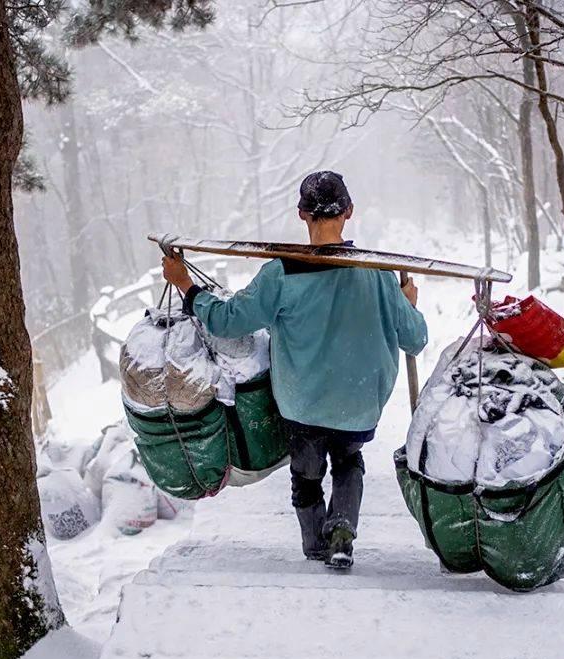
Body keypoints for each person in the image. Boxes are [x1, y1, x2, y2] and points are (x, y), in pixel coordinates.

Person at [162, 170, 427, 570]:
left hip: (303, 403)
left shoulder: (281, 274)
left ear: (302, 214)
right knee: (348, 461)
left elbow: (229, 320)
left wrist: (187, 286)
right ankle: (341, 533)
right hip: (357, 403)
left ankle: (315, 545)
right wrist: (407, 303)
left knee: (306, 475)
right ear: (349, 212)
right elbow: (416, 339)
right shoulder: (379, 274)